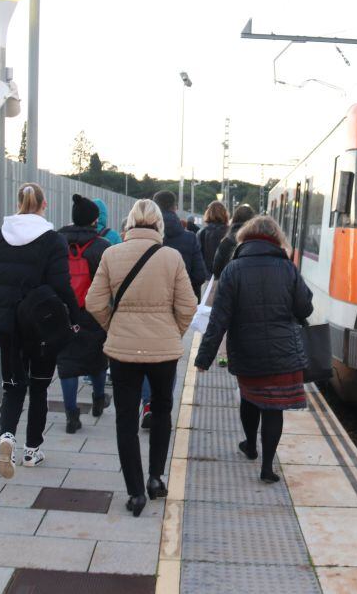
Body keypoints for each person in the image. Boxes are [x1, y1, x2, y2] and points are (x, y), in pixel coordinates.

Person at [86, 199, 197, 516]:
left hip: (122, 351)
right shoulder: (171, 257)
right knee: (161, 412)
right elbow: (188, 306)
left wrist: (114, 326)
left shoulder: (112, 253)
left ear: (129, 223)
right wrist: (171, 331)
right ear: (160, 224)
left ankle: (135, 494)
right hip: (164, 352)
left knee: (125, 420)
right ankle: (155, 478)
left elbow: (93, 302)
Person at [0, 183, 79, 479]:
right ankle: (32, 451)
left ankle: (6, 437)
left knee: (13, 387)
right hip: (41, 327)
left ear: (19, 203)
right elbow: (61, 284)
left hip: (9, 327)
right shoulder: (53, 240)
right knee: (39, 388)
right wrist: (75, 317)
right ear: (44, 205)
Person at [195, 216, 313, 483]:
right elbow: (305, 309)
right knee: (274, 408)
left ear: (245, 239)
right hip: (284, 352)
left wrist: (204, 358)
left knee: (251, 398)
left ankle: (250, 445)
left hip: (247, 349)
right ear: (277, 239)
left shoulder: (233, 269)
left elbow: (219, 319)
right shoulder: (288, 268)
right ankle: (267, 467)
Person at [137, 191, 207, 428]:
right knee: (169, 356)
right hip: (175, 308)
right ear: (175, 208)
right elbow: (200, 274)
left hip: (143, 304)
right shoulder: (188, 239)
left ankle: (148, 404)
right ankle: (161, 404)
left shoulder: (139, 236)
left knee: (145, 355)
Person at [58, 194, 112, 434]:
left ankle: (71, 415)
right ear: (94, 220)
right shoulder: (102, 247)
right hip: (94, 311)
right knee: (97, 359)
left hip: (63, 310)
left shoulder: (57, 241)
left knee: (66, 362)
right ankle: (98, 399)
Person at [211, 204, 255, 279]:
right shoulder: (258, 242)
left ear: (234, 219)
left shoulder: (226, 241)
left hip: (229, 286)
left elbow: (216, 270)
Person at [196, 201, 229, 276]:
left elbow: (198, 258)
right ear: (225, 213)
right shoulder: (230, 232)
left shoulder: (201, 233)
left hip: (207, 277)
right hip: (227, 277)